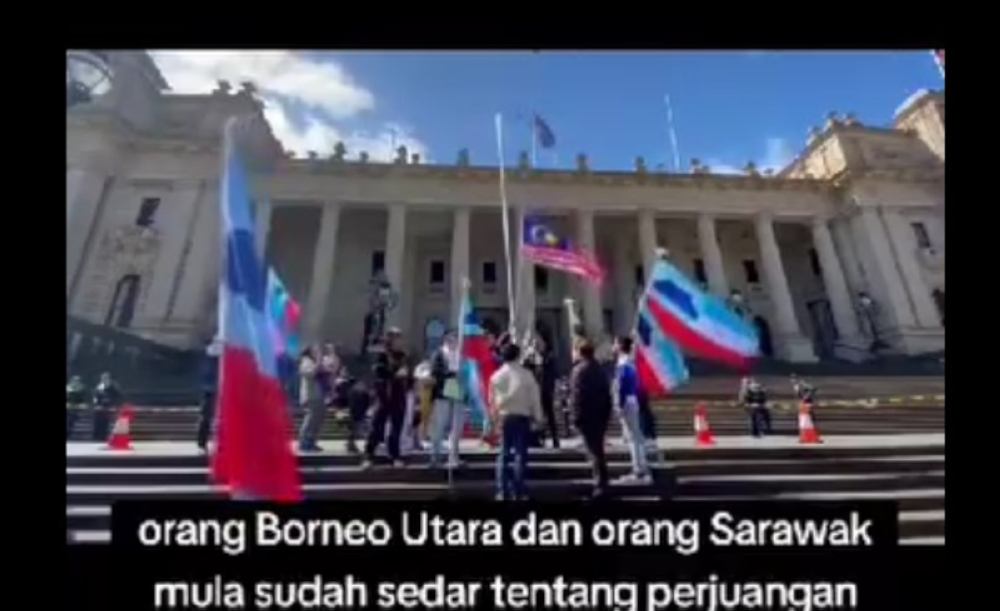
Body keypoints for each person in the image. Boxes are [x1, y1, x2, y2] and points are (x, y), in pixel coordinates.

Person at [490, 342, 544, 500]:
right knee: (520, 454)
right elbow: (534, 398)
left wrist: (493, 419)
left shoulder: (496, 376)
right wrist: (538, 417)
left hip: (503, 417)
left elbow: (491, 400)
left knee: (503, 454)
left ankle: (502, 490)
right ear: (518, 356)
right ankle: (519, 490)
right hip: (521, 416)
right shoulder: (526, 375)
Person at [570, 339, 613, 497]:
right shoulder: (600, 370)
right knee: (598, 449)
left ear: (580, 353)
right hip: (600, 415)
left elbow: (576, 396)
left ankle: (600, 483)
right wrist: (607, 414)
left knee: (594, 451)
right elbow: (607, 395)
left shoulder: (578, 371)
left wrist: (575, 417)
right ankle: (602, 480)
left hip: (587, 416)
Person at [363, 327, 410, 468]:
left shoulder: (403, 355)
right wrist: (395, 374)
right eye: (396, 338)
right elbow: (378, 372)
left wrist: (406, 377)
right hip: (383, 395)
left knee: (396, 428)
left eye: (400, 338)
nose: (399, 341)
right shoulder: (381, 354)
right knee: (376, 427)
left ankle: (394, 455)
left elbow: (407, 374)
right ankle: (368, 455)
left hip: (398, 395)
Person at [613, 336, 651, 483]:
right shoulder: (630, 362)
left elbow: (621, 386)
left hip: (627, 402)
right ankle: (642, 467)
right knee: (636, 436)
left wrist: (619, 404)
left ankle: (638, 470)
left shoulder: (623, 363)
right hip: (632, 400)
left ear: (620, 346)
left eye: (615, 343)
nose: (613, 346)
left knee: (632, 437)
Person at [428, 330, 464, 468]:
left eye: (455, 338)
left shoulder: (460, 355)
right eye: (451, 338)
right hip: (443, 393)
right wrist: (451, 374)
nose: (454, 341)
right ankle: (435, 455)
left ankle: (453, 455)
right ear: (446, 339)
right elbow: (435, 372)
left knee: (456, 426)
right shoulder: (439, 354)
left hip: (457, 392)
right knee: (439, 425)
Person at [297, 346, 326, 452]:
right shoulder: (306, 361)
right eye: (315, 351)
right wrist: (318, 363)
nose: (317, 353)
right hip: (310, 395)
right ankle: (304, 443)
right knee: (310, 420)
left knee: (318, 419)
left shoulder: (313, 362)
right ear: (309, 352)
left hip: (317, 395)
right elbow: (310, 374)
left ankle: (311, 442)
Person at [196, 338, 221, 452]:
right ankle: (203, 442)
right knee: (207, 417)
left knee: (208, 417)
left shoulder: (209, 357)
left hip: (214, 388)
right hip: (212, 388)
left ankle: (204, 442)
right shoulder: (209, 356)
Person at [92, 371, 122, 442]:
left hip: (110, 407)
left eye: (106, 378)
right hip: (100, 407)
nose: (104, 379)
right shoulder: (99, 387)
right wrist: (96, 404)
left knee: (107, 422)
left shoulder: (114, 387)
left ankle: (105, 436)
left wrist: (114, 405)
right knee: (98, 421)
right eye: (103, 378)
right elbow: (96, 397)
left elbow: (118, 397)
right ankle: (97, 436)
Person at [66, 375, 88, 440]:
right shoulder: (68, 389)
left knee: (72, 416)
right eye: (74, 381)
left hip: (78, 408)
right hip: (68, 407)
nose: (75, 382)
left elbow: (83, 401)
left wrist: (79, 405)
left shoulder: (82, 390)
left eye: (77, 381)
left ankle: (69, 433)